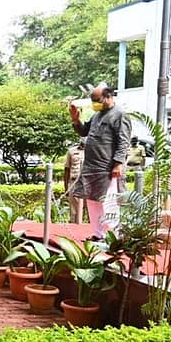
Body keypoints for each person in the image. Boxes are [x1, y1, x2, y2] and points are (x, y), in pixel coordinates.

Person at [68, 85, 131, 240]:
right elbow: (84, 131)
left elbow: (124, 142)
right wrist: (76, 120)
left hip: (108, 168)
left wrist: (118, 163)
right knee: (93, 201)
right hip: (91, 167)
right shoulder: (97, 115)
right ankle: (98, 234)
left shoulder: (120, 115)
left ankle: (112, 237)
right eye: (93, 100)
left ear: (109, 97)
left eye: (97, 100)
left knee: (109, 202)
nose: (94, 103)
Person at [63, 138, 86, 224]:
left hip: (88, 183)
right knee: (74, 211)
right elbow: (67, 170)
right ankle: (74, 228)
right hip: (74, 183)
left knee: (90, 210)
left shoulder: (93, 151)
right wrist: (66, 188)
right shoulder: (71, 151)